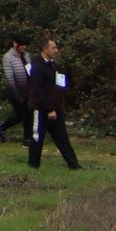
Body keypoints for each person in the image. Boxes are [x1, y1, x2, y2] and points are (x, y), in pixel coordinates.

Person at [26, 37, 80, 171]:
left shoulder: (53, 64)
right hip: (42, 108)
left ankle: (74, 165)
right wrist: (49, 109)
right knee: (37, 137)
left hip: (57, 107)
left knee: (62, 137)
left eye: (56, 48)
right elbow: (38, 91)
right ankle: (33, 166)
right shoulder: (37, 66)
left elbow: (58, 83)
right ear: (45, 49)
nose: (56, 50)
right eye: (53, 48)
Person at [0, 32, 34, 143]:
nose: (24, 47)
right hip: (16, 91)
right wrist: (19, 96)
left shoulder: (27, 55)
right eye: (21, 45)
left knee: (29, 114)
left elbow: (31, 71)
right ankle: (3, 126)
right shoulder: (8, 57)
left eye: (25, 45)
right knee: (21, 114)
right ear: (15, 43)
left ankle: (28, 138)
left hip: (28, 89)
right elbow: (10, 79)